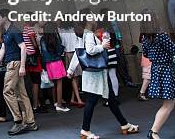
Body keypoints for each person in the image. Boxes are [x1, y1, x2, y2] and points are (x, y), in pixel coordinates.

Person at [67, 11, 138, 139]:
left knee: (110, 100)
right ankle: (85, 130)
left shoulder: (84, 34)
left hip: (95, 74)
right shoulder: (88, 34)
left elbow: (79, 53)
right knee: (92, 102)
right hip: (96, 74)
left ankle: (124, 124)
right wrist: (102, 46)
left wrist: (70, 70)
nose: (95, 17)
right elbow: (90, 50)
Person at [0, 9, 37, 136]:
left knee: (7, 91)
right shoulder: (7, 31)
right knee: (22, 94)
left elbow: (23, 47)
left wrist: (22, 66)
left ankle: (18, 121)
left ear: (5, 18)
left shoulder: (14, 30)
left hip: (14, 64)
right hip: (12, 63)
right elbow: (3, 48)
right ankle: (30, 122)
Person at [40, 22, 69, 112]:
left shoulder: (42, 39)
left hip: (48, 63)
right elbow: (59, 51)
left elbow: (43, 53)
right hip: (57, 61)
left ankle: (55, 102)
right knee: (59, 83)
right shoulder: (55, 38)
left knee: (53, 84)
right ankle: (59, 105)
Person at [59, 21, 85, 107]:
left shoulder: (61, 31)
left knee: (74, 77)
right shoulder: (75, 30)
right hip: (76, 53)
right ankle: (78, 99)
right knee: (76, 77)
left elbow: (62, 44)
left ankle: (73, 99)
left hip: (67, 54)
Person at [22, 17, 43, 112]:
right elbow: (34, 44)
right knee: (36, 82)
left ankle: (36, 103)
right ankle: (35, 105)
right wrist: (38, 53)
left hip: (27, 58)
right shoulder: (29, 29)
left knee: (33, 81)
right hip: (33, 58)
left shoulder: (24, 29)